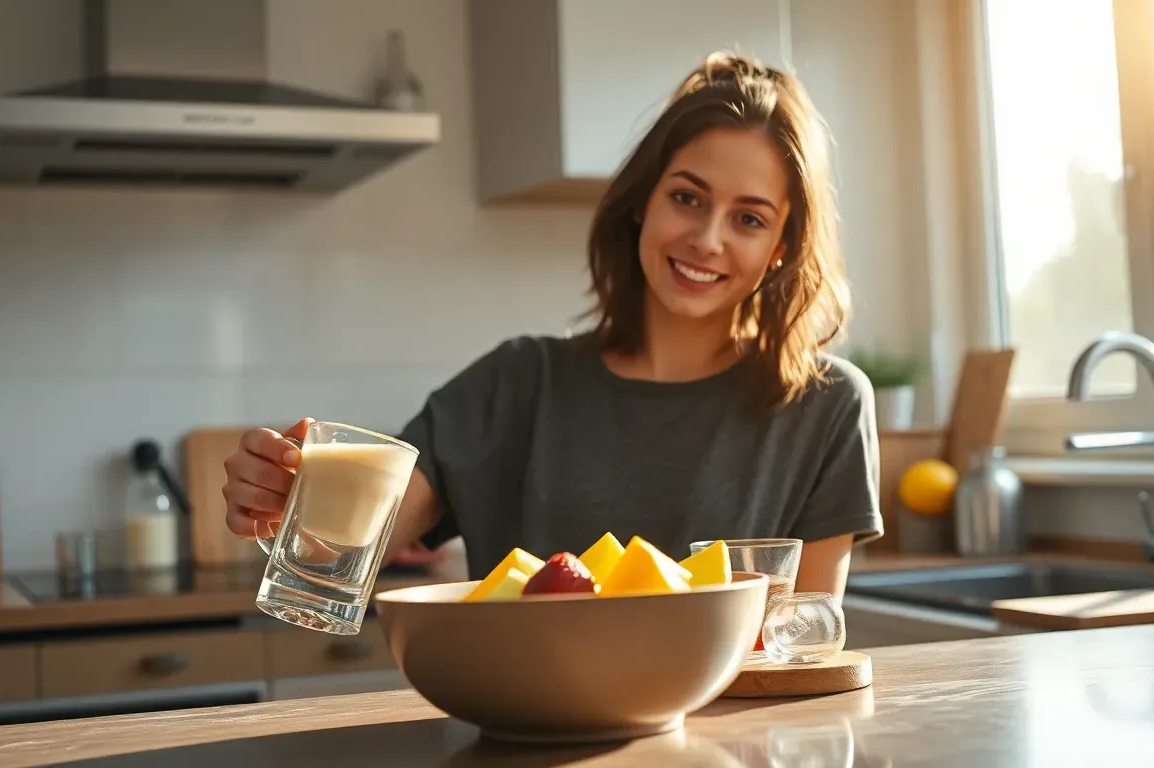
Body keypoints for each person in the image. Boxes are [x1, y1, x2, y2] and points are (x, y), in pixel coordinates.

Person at [221, 50, 882, 599]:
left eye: (749, 219)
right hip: (517, 720)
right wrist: (283, 498)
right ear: (642, 203)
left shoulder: (825, 407)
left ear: (782, 248)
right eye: (687, 197)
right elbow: (348, 543)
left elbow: (806, 641)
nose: (707, 239)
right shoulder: (516, 383)